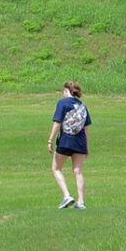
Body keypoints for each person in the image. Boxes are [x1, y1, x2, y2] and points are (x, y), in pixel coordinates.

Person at [48, 81, 91, 210]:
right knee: (78, 171)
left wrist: (50, 140)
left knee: (56, 168)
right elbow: (87, 128)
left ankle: (67, 195)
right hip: (81, 141)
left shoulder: (63, 103)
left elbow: (57, 123)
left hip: (66, 139)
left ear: (67, 91)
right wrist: (87, 147)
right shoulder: (82, 105)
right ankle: (81, 201)